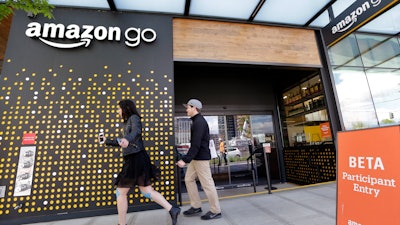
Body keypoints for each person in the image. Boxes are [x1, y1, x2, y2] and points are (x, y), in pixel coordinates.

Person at [99, 99, 180, 225]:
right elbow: (123, 142)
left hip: (135, 158)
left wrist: (127, 138)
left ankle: (122, 224)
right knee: (147, 191)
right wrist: (107, 140)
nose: (118, 111)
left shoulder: (134, 118)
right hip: (135, 158)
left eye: (119, 108)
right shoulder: (126, 123)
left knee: (121, 192)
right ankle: (172, 209)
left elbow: (136, 132)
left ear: (125, 108)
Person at [176, 99, 222, 220]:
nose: (186, 110)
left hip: (201, 158)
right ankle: (196, 206)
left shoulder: (199, 122)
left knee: (207, 184)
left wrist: (184, 160)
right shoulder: (196, 121)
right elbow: (195, 144)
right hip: (196, 158)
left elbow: (196, 144)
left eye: (188, 107)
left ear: (194, 108)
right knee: (188, 179)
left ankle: (216, 210)